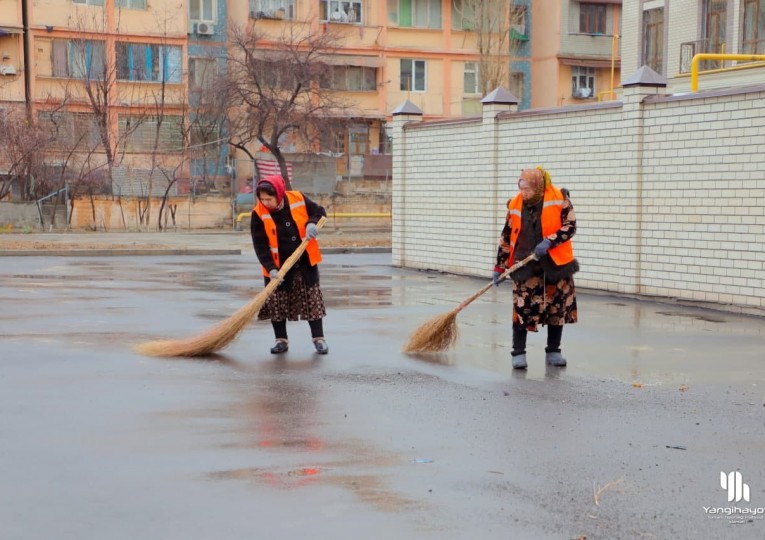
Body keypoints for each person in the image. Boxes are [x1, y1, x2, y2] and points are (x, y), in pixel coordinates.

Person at [493, 167, 579, 369]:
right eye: (520, 187)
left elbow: (571, 226)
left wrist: (550, 241)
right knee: (522, 308)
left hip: (555, 264)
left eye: (527, 189)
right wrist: (500, 266)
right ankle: (518, 352)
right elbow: (506, 236)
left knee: (556, 307)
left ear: (538, 186)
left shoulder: (559, 197)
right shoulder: (515, 203)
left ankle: (553, 351)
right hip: (525, 264)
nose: (523, 193)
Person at [251, 174, 329, 355]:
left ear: (278, 194)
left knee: (312, 300)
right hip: (277, 268)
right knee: (277, 304)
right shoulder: (258, 213)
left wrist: (312, 224)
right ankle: (281, 341)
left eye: (269, 199)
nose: (265, 202)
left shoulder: (298, 198)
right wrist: (270, 268)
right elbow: (260, 245)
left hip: (304, 263)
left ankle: (319, 339)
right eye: (262, 199)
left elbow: (319, 211)